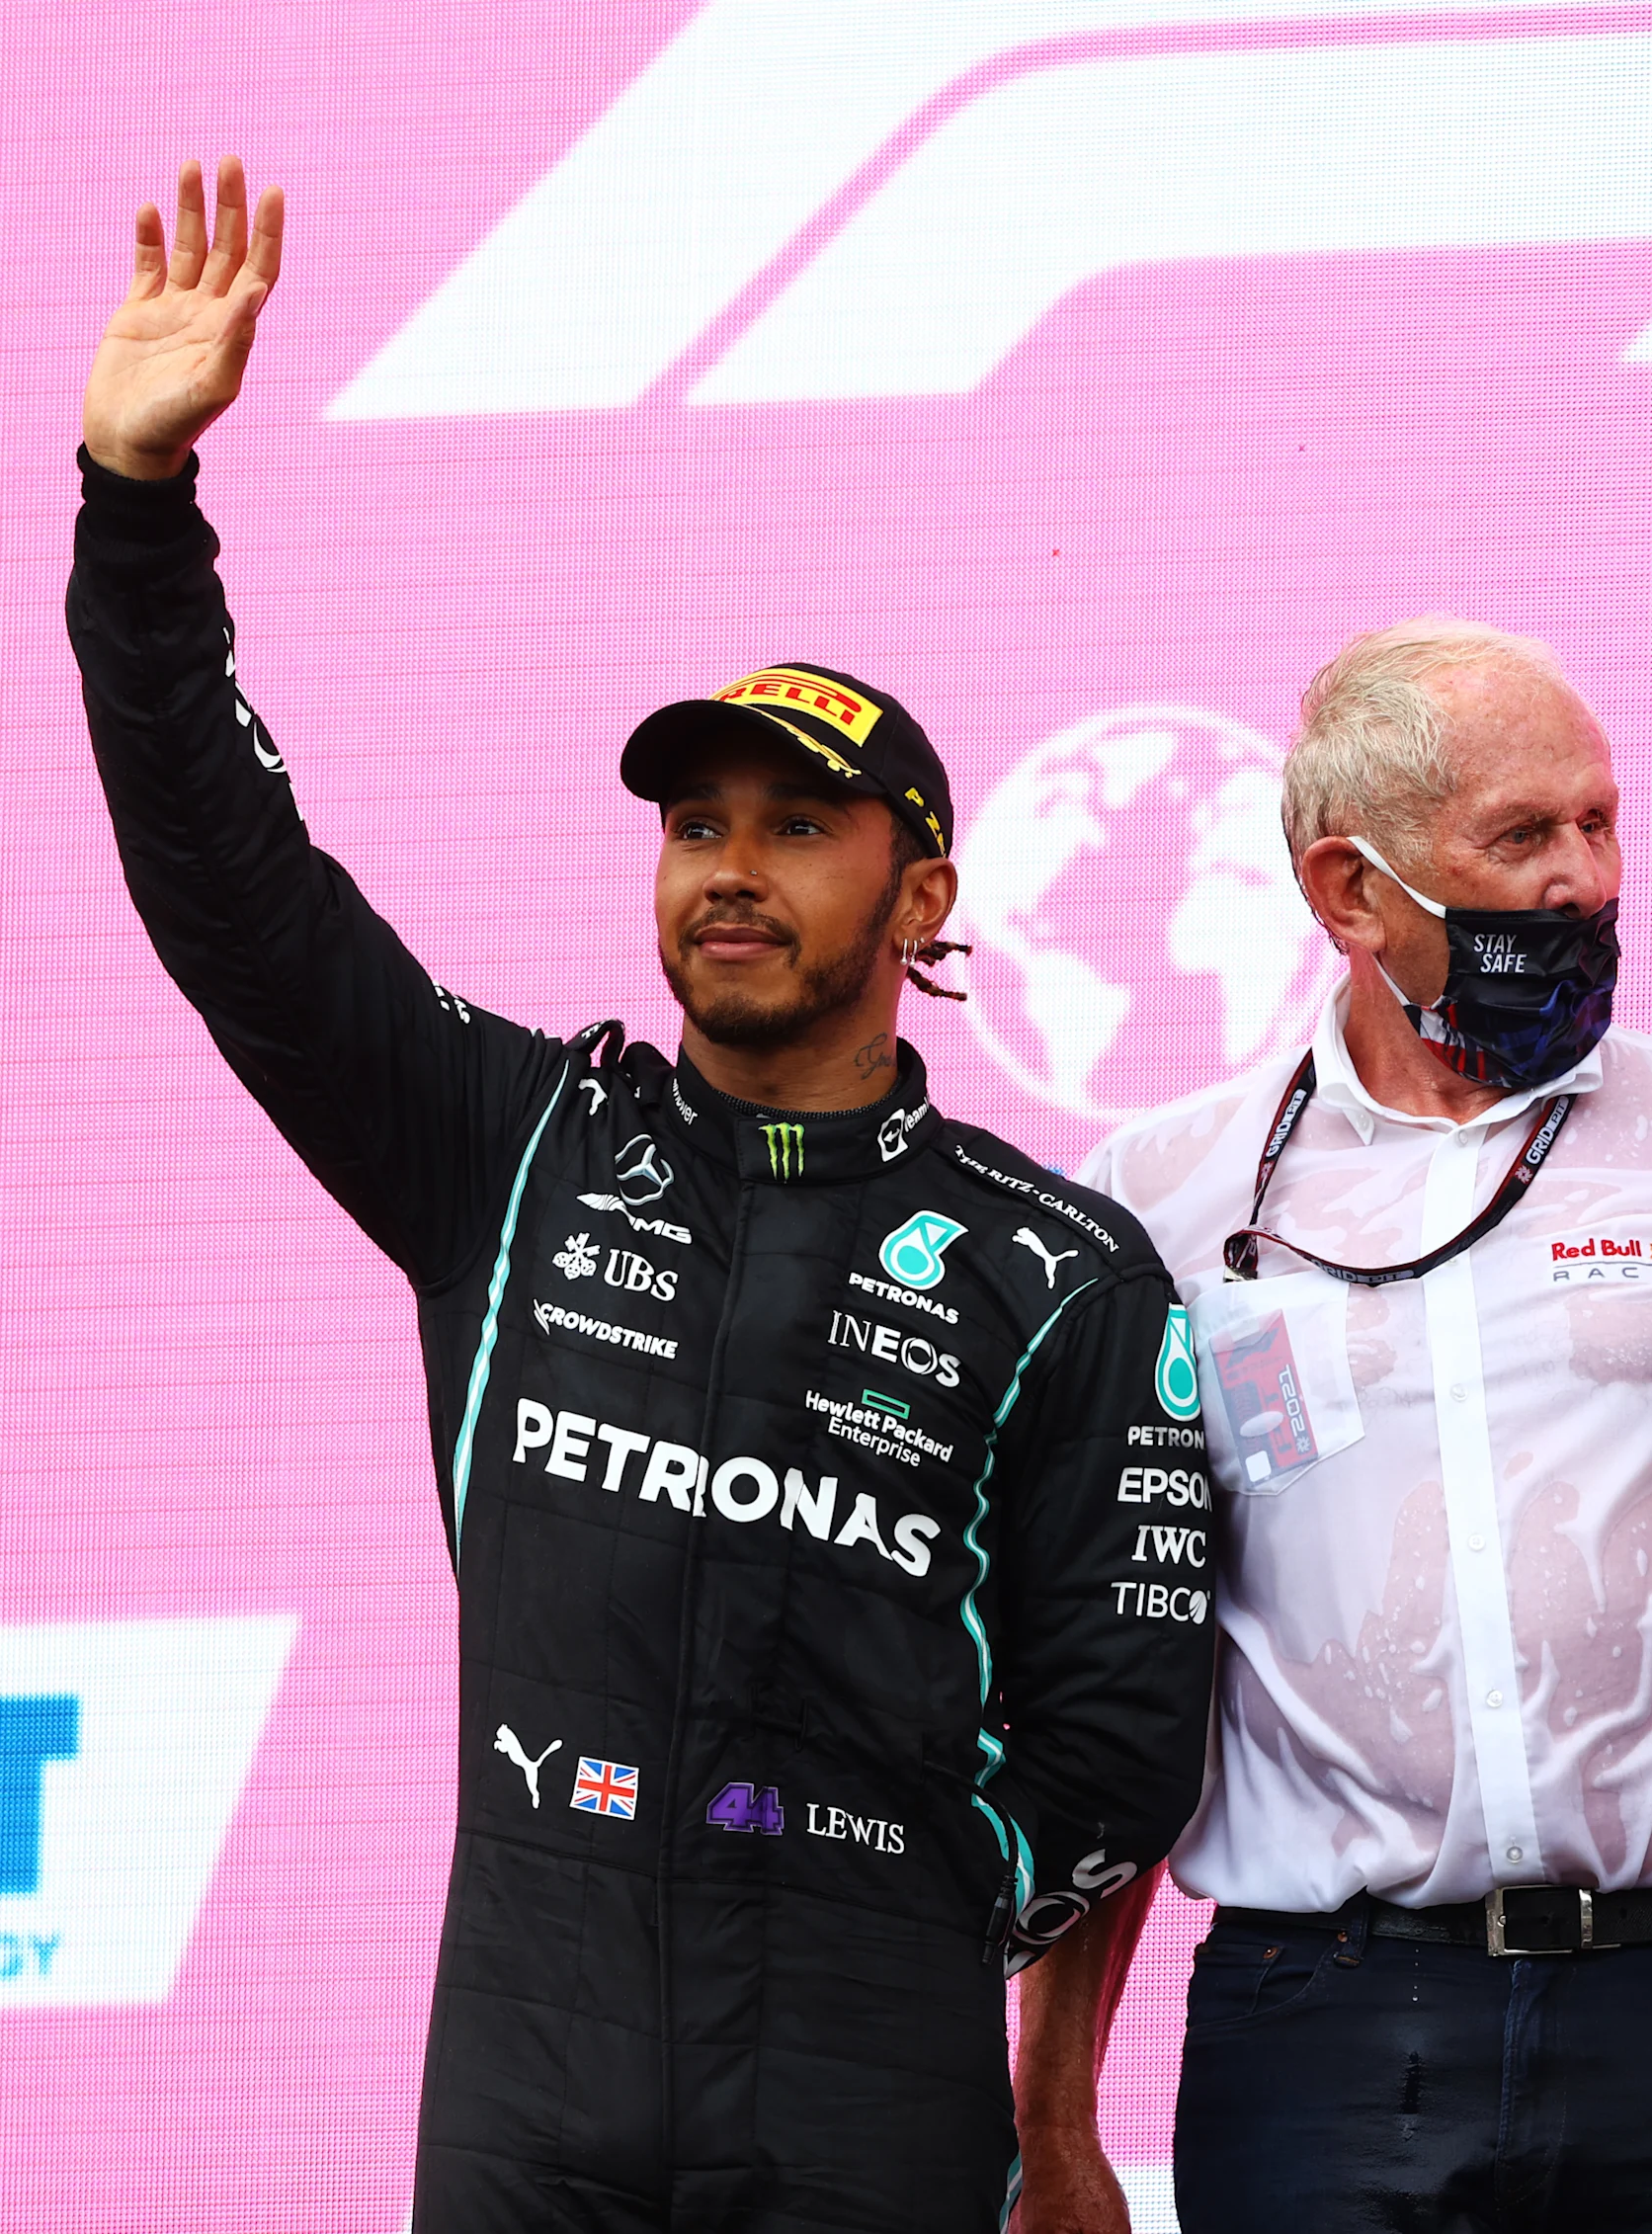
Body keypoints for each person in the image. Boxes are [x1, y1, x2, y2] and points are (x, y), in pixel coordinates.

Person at [69, 160, 1217, 2229]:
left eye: (797, 822)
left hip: (867, 2070)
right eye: (696, 820)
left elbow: (1128, 1731)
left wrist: (901, 1882)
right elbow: (229, 884)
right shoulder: (510, 1145)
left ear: (924, 892)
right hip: (529, 2057)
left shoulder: (1063, 1273)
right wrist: (137, 512)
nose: (729, 866)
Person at [1008, 617, 1652, 2234]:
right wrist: (1054, 2119)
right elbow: (1118, 1678)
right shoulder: (1157, 1201)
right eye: (1520, 837)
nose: (1582, 877)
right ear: (1349, 891)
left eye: (1600, 821)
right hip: (1326, 2030)